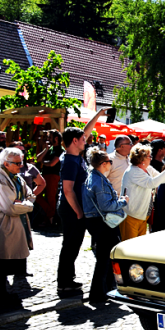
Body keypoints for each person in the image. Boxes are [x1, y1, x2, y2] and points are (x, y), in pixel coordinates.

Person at [56, 109, 105, 293]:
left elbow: (85, 131)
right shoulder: (70, 161)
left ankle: (69, 279)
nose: (87, 139)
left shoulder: (76, 155)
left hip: (75, 207)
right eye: (83, 139)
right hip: (71, 209)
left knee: (73, 244)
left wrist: (98, 115)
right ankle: (64, 283)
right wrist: (78, 211)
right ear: (74, 142)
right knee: (70, 245)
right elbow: (68, 190)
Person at [0, 147, 36, 313]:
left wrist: (22, 203)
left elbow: (30, 196)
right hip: (3, 224)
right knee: (3, 260)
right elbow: (10, 208)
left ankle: (1, 292)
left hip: (17, 224)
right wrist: (25, 205)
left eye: (21, 162)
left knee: (9, 259)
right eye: (17, 163)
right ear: (6, 164)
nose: (21, 166)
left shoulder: (16, 178)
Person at [82, 148, 128, 303]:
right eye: (110, 161)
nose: (111, 164)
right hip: (102, 223)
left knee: (105, 257)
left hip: (97, 221)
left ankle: (106, 289)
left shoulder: (94, 176)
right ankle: (98, 294)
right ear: (103, 164)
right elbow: (106, 206)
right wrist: (123, 201)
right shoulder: (99, 180)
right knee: (105, 258)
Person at [121, 144, 165, 239]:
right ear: (141, 159)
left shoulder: (147, 168)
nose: (151, 158)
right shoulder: (133, 171)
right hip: (131, 216)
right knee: (128, 247)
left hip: (140, 215)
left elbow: (162, 179)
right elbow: (152, 183)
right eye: (149, 156)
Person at [35, 130, 64, 227]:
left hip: (53, 176)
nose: (48, 139)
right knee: (37, 196)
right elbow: (38, 159)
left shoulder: (60, 150)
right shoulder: (50, 149)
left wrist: (44, 162)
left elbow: (52, 163)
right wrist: (46, 150)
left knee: (50, 197)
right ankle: (50, 216)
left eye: (50, 137)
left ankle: (49, 219)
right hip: (44, 175)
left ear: (56, 138)